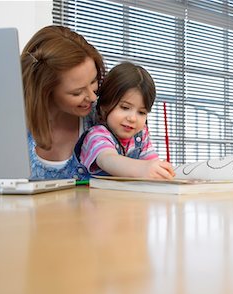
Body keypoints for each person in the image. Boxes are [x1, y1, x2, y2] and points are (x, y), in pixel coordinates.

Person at [21, 25, 105, 180]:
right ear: (45, 92)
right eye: (77, 92)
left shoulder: (103, 117)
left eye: (93, 81)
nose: (92, 97)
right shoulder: (14, 128)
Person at [78, 61, 175, 179]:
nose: (133, 118)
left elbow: (151, 162)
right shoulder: (97, 135)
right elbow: (108, 159)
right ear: (104, 106)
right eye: (124, 107)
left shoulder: (141, 135)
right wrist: (143, 168)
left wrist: (160, 169)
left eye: (141, 112)